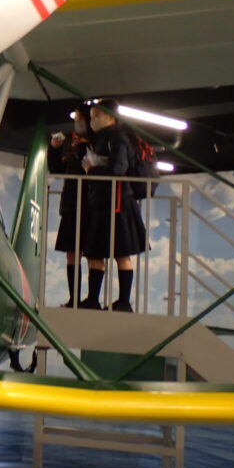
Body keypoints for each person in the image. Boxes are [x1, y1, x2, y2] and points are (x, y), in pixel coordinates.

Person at [79, 98, 147, 311]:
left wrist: (92, 170)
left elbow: (118, 168)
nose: (93, 120)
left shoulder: (118, 138)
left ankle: (122, 302)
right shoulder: (108, 137)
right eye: (92, 116)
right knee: (97, 253)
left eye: (96, 116)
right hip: (104, 201)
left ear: (110, 117)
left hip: (118, 203)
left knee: (120, 253)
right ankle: (95, 299)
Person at [48, 104, 93, 307]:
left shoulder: (96, 142)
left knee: (92, 253)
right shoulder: (71, 142)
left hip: (91, 204)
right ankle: (74, 299)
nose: (77, 123)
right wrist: (55, 148)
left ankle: (92, 299)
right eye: (76, 119)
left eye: (80, 119)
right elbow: (56, 168)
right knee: (71, 253)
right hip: (70, 205)